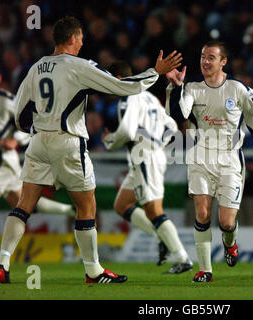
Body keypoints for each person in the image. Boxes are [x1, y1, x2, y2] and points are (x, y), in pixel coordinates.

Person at [0, 16, 182, 284]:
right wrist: (156, 72)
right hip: (68, 141)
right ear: (71, 38)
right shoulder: (78, 66)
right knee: (86, 206)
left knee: (24, 205)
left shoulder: (36, 67)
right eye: (80, 38)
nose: (83, 42)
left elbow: (19, 113)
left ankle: (2, 264)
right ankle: (93, 271)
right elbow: (121, 85)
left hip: (38, 142)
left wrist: (34, 130)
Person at [165, 40, 253, 282]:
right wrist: (176, 87)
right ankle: (205, 270)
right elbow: (178, 115)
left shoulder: (238, 89)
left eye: (211, 57)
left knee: (226, 221)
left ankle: (230, 243)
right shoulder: (192, 88)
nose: (205, 61)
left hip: (229, 160)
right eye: (203, 56)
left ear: (223, 61)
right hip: (200, 156)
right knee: (202, 214)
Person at [102, 61, 193, 274]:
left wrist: (109, 141)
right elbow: (171, 125)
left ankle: (182, 257)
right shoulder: (148, 96)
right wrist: (157, 141)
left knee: (153, 210)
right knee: (122, 205)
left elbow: (126, 131)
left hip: (145, 156)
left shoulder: (128, 96)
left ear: (117, 80)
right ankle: (161, 237)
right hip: (148, 155)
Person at [0, 60, 76, 235]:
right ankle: (69, 210)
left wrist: (16, 140)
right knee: (23, 203)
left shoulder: (8, 101)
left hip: (0, 159)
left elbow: (35, 124)